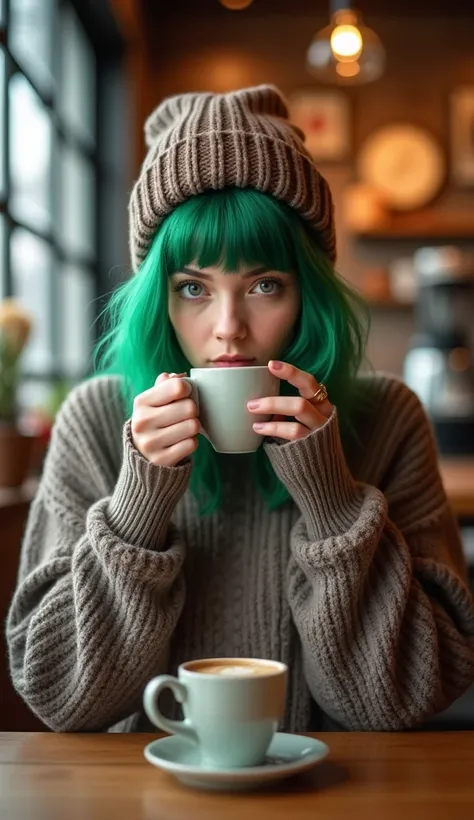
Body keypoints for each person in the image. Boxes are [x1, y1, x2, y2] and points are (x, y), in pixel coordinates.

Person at [7, 85, 474, 734]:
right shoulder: (94, 420)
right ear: (158, 301)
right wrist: (138, 504)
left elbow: (403, 700)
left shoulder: (387, 417)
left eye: (263, 285)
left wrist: (333, 498)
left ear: (306, 290)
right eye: (193, 287)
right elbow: (60, 697)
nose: (229, 327)